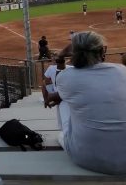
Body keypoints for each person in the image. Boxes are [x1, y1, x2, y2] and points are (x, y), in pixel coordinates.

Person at [45, 31, 126, 175]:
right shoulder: (122, 70)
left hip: (88, 159)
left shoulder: (67, 77)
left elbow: (60, 88)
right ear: (102, 51)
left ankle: (63, 133)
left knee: (64, 101)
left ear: (74, 54)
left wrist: (60, 58)